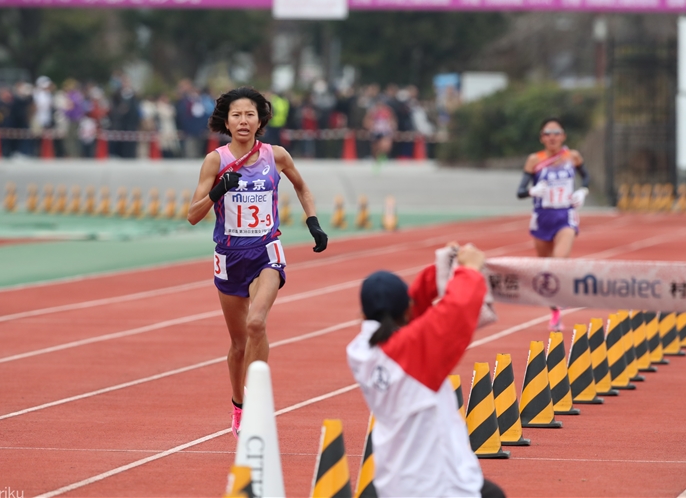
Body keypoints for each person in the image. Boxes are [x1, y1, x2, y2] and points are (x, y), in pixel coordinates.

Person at [187, 86, 328, 438]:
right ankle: (239, 405)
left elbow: (302, 187)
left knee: (256, 323)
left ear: (260, 119)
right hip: (229, 256)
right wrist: (219, 189)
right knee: (237, 345)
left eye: (250, 114)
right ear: (227, 121)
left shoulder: (276, 156)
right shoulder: (215, 161)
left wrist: (313, 223)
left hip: (266, 250)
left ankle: (259, 402)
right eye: (237, 115)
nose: (243, 121)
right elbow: (192, 215)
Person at [347, 243, 505, 498]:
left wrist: (440, 272)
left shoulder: (361, 350)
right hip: (437, 483)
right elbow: (457, 310)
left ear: (363, 313)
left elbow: (416, 315)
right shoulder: (412, 352)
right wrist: (470, 270)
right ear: (406, 309)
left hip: (395, 478)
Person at [517, 117, 589, 331]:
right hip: (542, 219)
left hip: (565, 216)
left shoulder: (572, 157)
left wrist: (583, 191)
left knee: (558, 262)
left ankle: (562, 297)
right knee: (546, 270)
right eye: (547, 133)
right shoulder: (534, 160)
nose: (552, 137)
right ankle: (555, 313)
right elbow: (520, 191)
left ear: (563, 136)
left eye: (556, 132)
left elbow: (586, 178)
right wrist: (532, 191)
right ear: (542, 138)